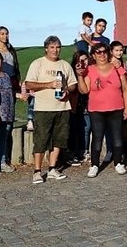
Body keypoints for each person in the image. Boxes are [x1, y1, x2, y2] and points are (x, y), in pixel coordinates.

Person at [25, 36, 77, 184]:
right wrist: (48, 85)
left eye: (58, 47)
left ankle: (52, 168)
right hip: (43, 109)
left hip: (62, 107)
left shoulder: (65, 65)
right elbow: (28, 84)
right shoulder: (38, 64)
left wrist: (67, 90)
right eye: (52, 47)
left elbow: (73, 84)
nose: (55, 50)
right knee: (41, 140)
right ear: (46, 48)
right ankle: (37, 171)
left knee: (59, 140)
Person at [77, 42, 127, 178]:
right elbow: (84, 90)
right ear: (93, 55)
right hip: (96, 109)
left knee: (118, 137)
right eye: (98, 52)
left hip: (116, 107)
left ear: (108, 52)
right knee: (97, 138)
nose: (101, 54)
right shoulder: (90, 69)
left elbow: (125, 88)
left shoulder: (117, 67)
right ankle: (94, 165)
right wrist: (80, 75)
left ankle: (118, 162)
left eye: (104, 51)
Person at [0, 51, 26, 174]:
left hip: (8, 111)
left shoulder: (6, 76)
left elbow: (9, 92)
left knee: (4, 137)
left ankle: (1, 161)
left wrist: (20, 95)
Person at [66, 50, 91, 166]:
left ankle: (83, 151)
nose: (83, 62)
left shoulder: (91, 72)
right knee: (74, 130)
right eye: (80, 60)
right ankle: (72, 153)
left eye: (85, 59)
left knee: (86, 130)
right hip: (74, 106)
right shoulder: (71, 73)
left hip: (87, 106)